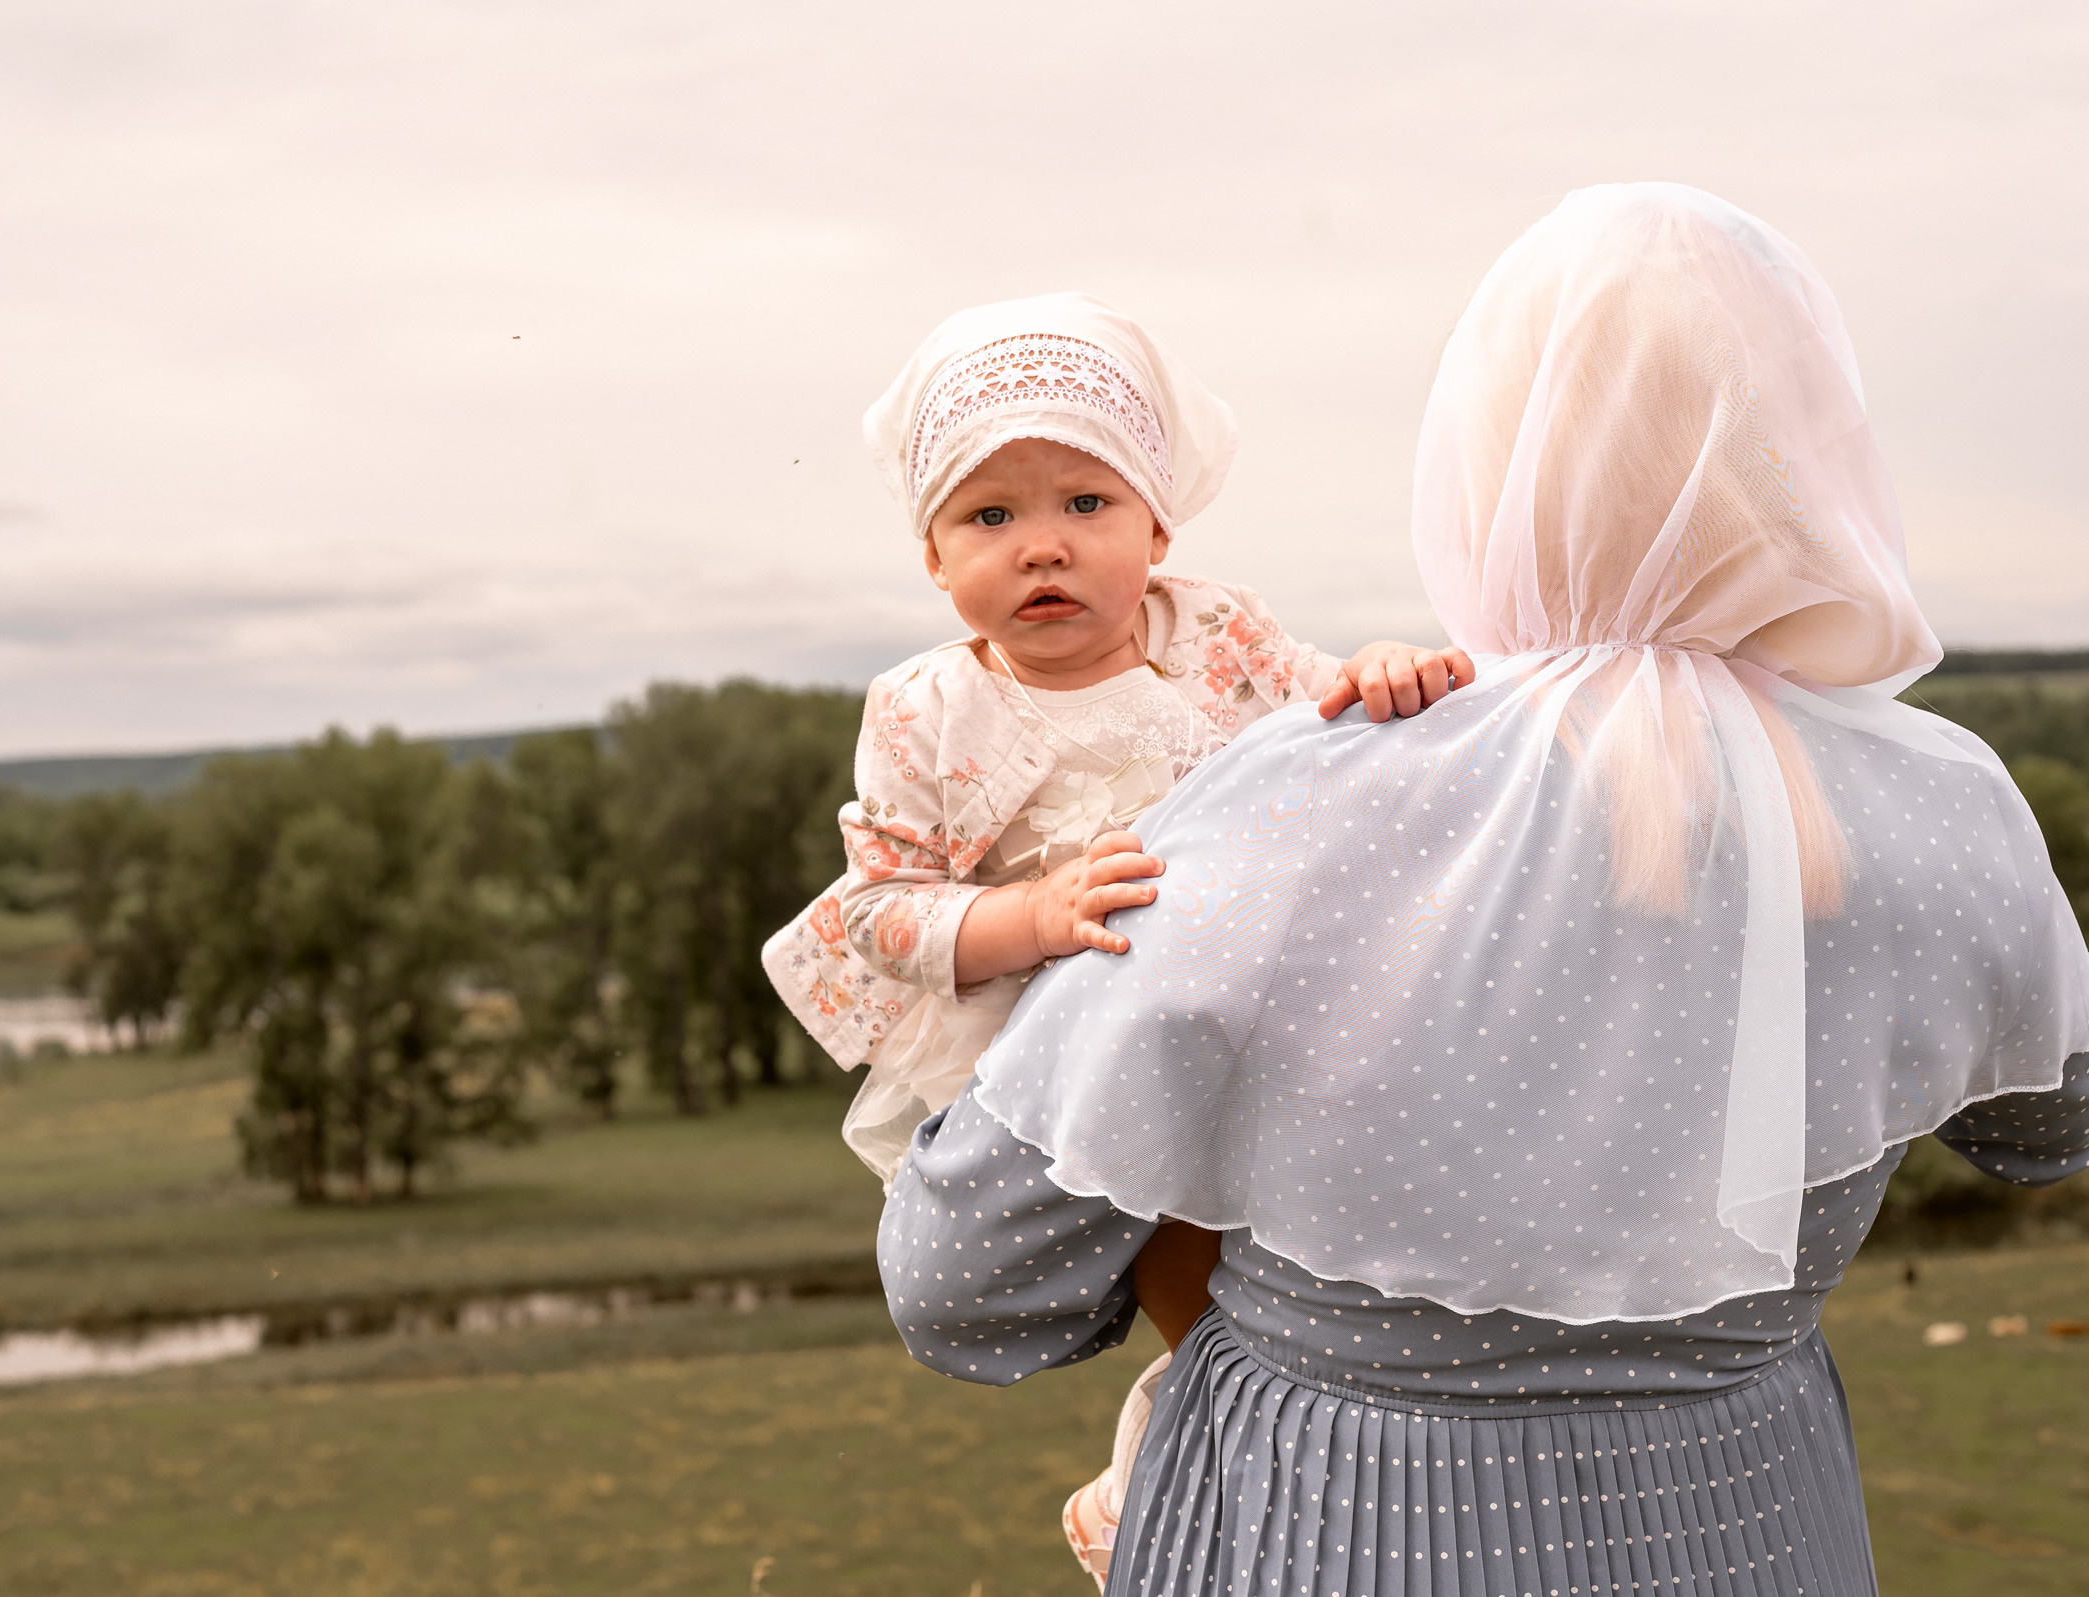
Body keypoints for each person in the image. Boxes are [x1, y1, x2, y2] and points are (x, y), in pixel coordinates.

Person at [878, 184, 2089, 1597]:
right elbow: (2050, 1122)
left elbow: (964, 1281)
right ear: (1812, 451)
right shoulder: (1947, 811)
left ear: (1483, 460)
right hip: (1756, 1532)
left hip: (1325, 1534)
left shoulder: (1297, 799)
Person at [762, 292, 1472, 1576]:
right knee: (1192, 1271)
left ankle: (1318, 1463)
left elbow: (1334, 728)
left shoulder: (1219, 635)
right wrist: (1029, 915)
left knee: (1326, 1258)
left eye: (1085, 505)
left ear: (1157, 524)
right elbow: (877, 907)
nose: (1044, 547)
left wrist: (1380, 678)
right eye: (992, 516)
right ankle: (1170, 1459)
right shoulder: (928, 709)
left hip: (1268, 992)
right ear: (933, 557)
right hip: (1063, 1029)